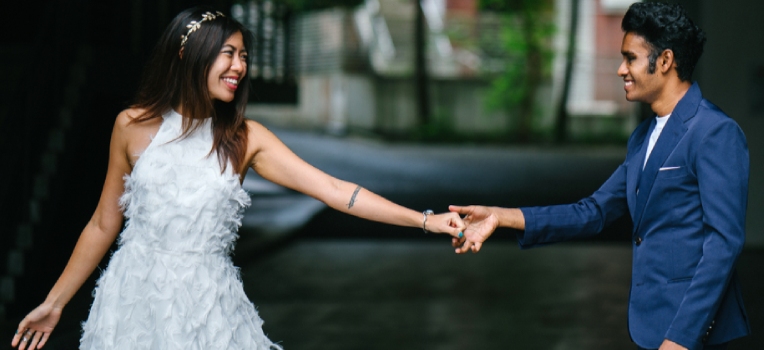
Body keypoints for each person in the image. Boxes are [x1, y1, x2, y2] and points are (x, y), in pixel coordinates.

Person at [10, 7, 465, 350]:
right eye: (227, 53)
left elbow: (333, 190)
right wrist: (55, 302)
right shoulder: (131, 125)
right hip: (133, 300)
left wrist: (424, 221)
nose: (239, 66)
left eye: (243, 55)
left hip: (211, 304)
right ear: (188, 54)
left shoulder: (247, 138)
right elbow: (102, 224)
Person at [449, 2, 750, 350]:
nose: (621, 69)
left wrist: (681, 339)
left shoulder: (714, 132)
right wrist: (502, 217)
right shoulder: (642, 137)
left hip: (695, 334)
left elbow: (723, 245)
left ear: (665, 61)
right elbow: (592, 212)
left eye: (631, 58)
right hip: (653, 325)